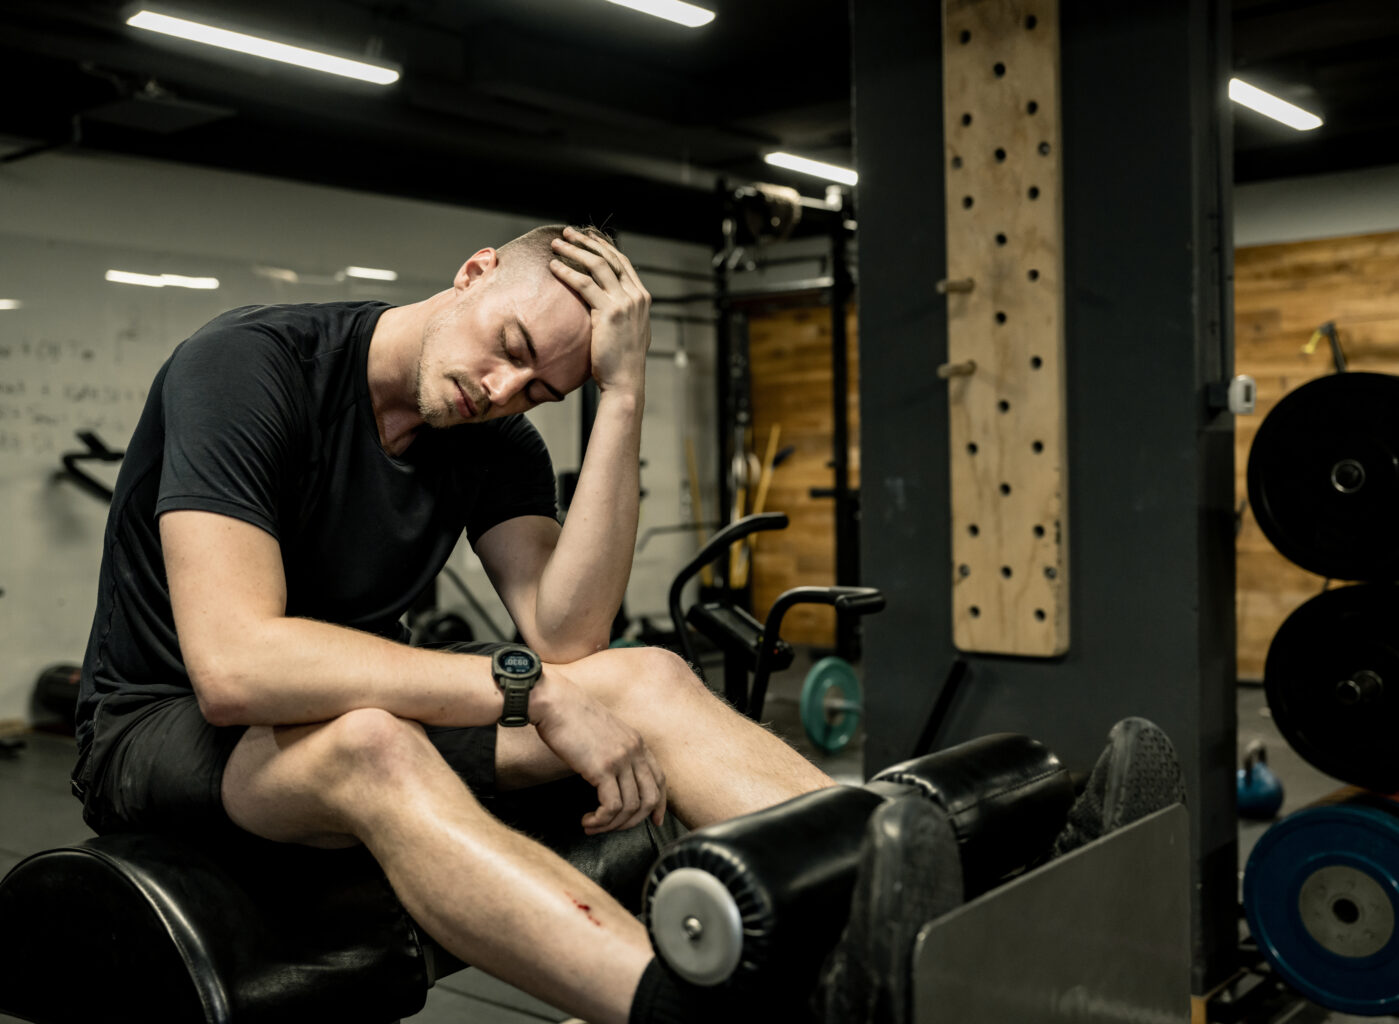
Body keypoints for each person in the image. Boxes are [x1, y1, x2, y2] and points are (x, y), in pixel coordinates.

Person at [70, 224, 835, 1024]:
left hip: (334, 712)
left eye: (541, 390)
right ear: (475, 272)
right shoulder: (249, 364)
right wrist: (528, 691)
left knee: (648, 678)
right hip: (160, 727)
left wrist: (623, 395)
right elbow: (235, 668)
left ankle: (881, 890)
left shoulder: (493, 439)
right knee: (373, 741)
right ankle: (677, 1009)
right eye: (510, 344)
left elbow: (568, 640)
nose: (503, 390)